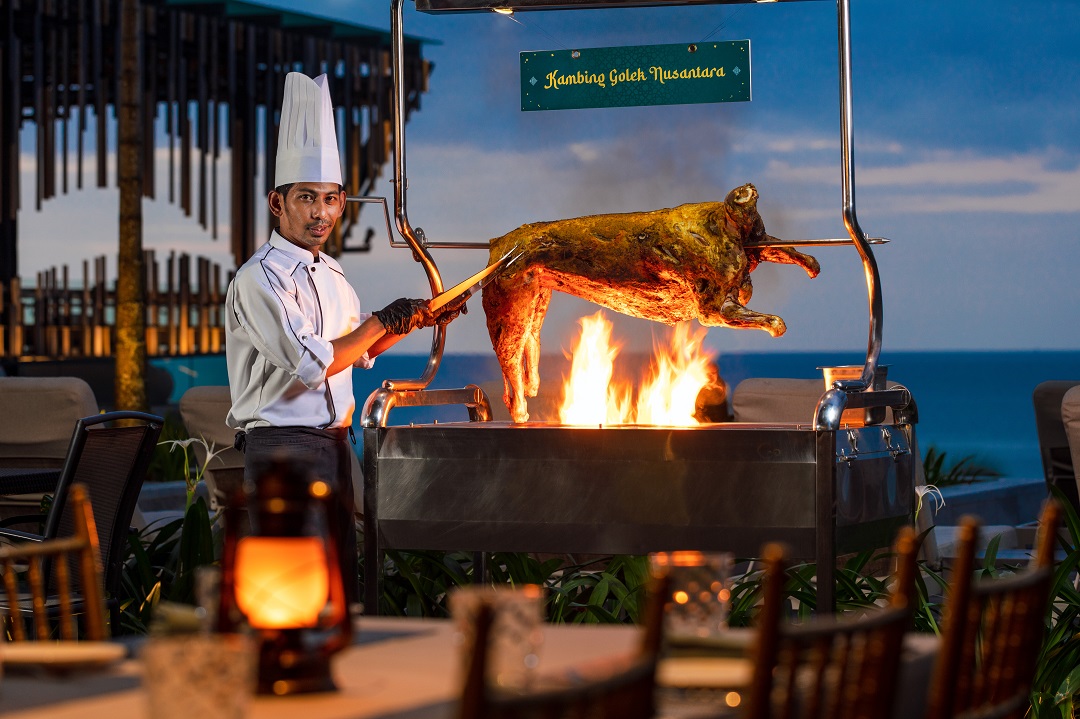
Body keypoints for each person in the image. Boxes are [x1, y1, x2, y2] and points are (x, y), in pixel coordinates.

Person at [224, 72, 464, 606]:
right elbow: (313, 365)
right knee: (289, 592)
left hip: (336, 444)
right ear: (276, 201)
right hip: (281, 449)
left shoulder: (332, 273)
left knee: (339, 589)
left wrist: (417, 319)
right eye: (307, 198)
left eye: (331, 200)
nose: (321, 213)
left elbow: (359, 352)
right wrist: (384, 317)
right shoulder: (257, 278)